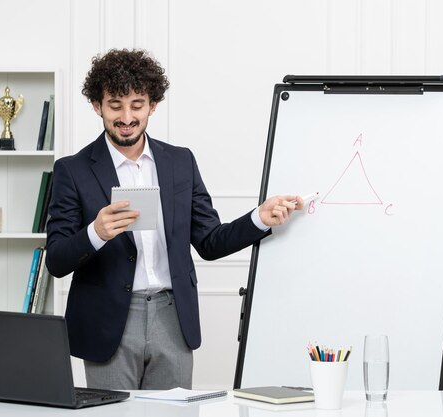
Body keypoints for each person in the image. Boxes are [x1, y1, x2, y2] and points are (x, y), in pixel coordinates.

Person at [45, 49, 304, 390]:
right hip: (107, 324)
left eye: (137, 104)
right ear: (97, 105)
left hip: (172, 317)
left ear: (153, 104)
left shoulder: (180, 162)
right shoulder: (72, 170)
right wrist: (95, 232)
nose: (126, 116)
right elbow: (57, 260)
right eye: (115, 105)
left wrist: (260, 218)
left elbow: (210, 241)